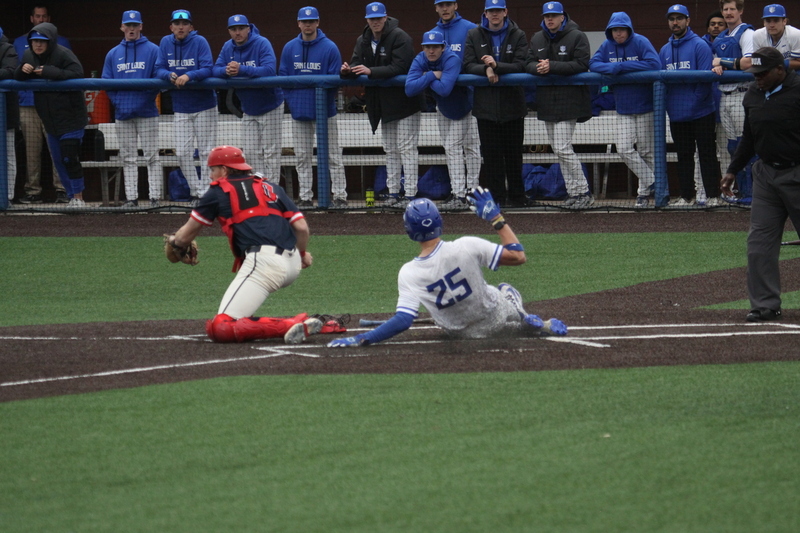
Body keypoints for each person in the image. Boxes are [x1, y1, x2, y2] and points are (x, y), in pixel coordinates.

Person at [327, 188, 567, 348]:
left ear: (409, 231)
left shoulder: (408, 273)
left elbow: (403, 320)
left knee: (466, 316)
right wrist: (496, 218)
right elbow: (518, 256)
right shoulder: (467, 245)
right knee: (504, 289)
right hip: (494, 314)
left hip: (462, 334)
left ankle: (522, 323)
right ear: (440, 223)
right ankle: (523, 317)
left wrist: (362, 338)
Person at [166, 145, 322, 344]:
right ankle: (314, 325)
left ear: (224, 170)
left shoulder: (217, 192)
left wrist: (174, 241)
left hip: (265, 265)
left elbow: (185, 236)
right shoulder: (270, 187)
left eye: (212, 170)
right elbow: (301, 228)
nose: (210, 176)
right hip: (292, 265)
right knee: (228, 322)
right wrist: (302, 254)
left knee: (222, 326)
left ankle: (290, 324)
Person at [720, 47, 800, 322]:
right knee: (759, 244)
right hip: (766, 176)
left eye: (763, 73)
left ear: (782, 69)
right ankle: (766, 304)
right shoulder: (753, 94)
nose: (758, 78)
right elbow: (749, 137)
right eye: (755, 74)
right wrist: (732, 170)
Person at [341, 2, 424, 208]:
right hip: (383, 105)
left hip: (405, 103)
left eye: (379, 18)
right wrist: (347, 70)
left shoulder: (400, 36)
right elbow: (356, 62)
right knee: (391, 149)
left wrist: (371, 72)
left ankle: (411, 194)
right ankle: (394, 192)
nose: (375, 22)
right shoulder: (364, 39)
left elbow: (401, 66)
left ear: (385, 18)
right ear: (367, 20)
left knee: (407, 149)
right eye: (372, 18)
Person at [589, 12, 661, 209]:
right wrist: (610, 68)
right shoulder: (607, 45)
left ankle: (643, 195)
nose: (618, 34)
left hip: (645, 105)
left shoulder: (640, 41)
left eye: (621, 30)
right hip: (623, 107)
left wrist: (621, 67)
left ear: (628, 30)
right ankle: (655, 182)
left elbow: (654, 64)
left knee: (646, 151)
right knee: (623, 148)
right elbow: (593, 64)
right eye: (614, 30)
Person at [526, 1, 593, 209]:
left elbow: (582, 64)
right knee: (558, 149)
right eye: (547, 16)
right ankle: (573, 193)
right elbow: (527, 62)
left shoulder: (577, 35)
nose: (550, 19)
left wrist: (552, 66)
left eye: (554, 15)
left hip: (569, 100)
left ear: (562, 16)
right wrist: (539, 68)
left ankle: (584, 191)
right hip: (547, 101)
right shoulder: (538, 37)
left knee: (563, 148)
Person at [279, 6, 347, 209]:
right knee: (302, 156)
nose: (308, 25)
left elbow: (334, 82)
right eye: (304, 21)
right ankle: (306, 197)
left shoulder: (329, 47)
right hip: (299, 112)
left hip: (325, 112)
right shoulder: (290, 47)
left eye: (312, 21)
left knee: (333, 155)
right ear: (299, 23)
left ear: (317, 23)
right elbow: (283, 78)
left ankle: (340, 196)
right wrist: (294, 101)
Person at [463, 0, 528, 208]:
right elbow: (467, 64)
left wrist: (496, 65)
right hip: (486, 107)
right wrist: (486, 70)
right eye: (491, 11)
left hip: (513, 105)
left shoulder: (518, 34)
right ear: (485, 13)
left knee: (513, 156)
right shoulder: (474, 34)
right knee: (491, 158)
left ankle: (518, 198)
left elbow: (521, 64)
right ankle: (497, 199)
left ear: (505, 12)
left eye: (498, 10)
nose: (495, 14)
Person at [15, 22, 87, 207]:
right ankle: (72, 197)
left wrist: (49, 72)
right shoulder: (29, 55)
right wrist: (22, 70)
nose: (37, 45)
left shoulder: (63, 53)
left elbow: (78, 73)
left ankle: (79, 198)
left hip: (71, 117)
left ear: (51, 42)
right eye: (34, 41)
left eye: (42, 41)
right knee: (58, 160)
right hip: (49, 120)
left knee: (69, 157)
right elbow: (17, 75)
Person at [659, 4, 722, 207]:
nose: (675, 22)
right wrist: (672, 108)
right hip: (677, 115)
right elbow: (663, 83)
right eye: (672, 19)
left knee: (707, 154)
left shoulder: (699, 45)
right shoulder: (665, 50)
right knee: (683, 157)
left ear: (688, 21)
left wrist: (690, 107)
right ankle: (686, 197)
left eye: (679, 18)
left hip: (702, 112)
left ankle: (713, 195)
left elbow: (705, 82)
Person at [405, 31, 475, 211]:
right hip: (443, 109)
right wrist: (431, 75)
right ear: (423, 48)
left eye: (435, 47)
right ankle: (459, 193)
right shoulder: (421, 58)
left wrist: (424, 77)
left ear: (443, 47)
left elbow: (444, 89)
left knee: (461, 148)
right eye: (427, 47)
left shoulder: (452, 58)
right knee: (451, 148)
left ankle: (463, 194)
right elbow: (409, 89)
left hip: (464, 108)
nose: (431, 50)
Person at [155, 9, 217, 204]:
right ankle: (195, 190)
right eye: (177, 24)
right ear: (171, 27)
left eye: (184, 24)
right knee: (182, 152)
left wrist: (189, 75)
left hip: (204, 104)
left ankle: (206, 193)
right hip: (181, 105)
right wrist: (168, 75)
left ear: (191, 26)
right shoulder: (165, 42)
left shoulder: (200, 42)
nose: (180, 27)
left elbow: (208, 67)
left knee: (207, 151)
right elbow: (158, 68)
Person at [213, 14, 284, 183]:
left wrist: (241, 69)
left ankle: (271, 191)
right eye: (233, 29)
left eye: (241, 28)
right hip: (249, 108)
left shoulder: (261, 43)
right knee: (251, 153)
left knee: (271, 152)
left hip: (270, 105)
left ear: (248, 29)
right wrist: (226, 71)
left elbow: (269, 70)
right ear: (229, 31)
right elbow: (215, 69)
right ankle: (258, 189)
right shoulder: (227, 47)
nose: (237, 32)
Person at [102, 10, 162, 208]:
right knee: (128, 158)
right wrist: (120, 103)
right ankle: (131, 199)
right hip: (123, 114)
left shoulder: (153, 50)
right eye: (128, 25)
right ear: (122, 27)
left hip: (147, 112)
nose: (131, 29)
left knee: (152, 156)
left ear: (141, 26)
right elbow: (107, 83)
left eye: (135, 25)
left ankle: (155, 199)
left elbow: (158, 80)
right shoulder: (113, 53)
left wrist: (141, 101)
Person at [13, 5, 69, 204]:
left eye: (44, 16)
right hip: (27, 103)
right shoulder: (19, 43)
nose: (41, 19)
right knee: (31, 150)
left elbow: (69, 71)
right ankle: (33, 191)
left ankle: (62, 189)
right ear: (31, 18)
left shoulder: (61, 43)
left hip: (53, 104)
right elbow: (13, 72)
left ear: (49, 18)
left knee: (57, 148)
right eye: (38, 16)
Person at [431, 0, 480, 210]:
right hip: (444, 100)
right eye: (441, 5)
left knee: (471, 147)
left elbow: (475, 60)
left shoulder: (470, 29)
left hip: (469, 97)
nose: (445, 8)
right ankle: (459, 192)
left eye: (448, 4)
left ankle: (469, 192)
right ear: (436, 8)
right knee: (451, 147)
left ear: (456, 5)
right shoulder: (432, 34)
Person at [711, 0, 755, 203]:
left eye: (732, 9)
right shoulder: (721, 37)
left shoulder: (747, 34)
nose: (728, 13)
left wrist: (723, 62)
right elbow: (713, 62)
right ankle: (738, 191)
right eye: (725, 9)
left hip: (741, 93)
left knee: (745, 145)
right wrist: (717, 66)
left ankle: (752, 193)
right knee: (731, 147)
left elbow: (749, 62)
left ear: (740, 11)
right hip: (724, 95)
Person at [743, 4, 800, 71]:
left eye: (776, 20)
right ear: (764, 22)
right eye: (768, 21)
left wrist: (774, 63)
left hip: (792, 74)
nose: (772, 25)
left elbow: (799, 62)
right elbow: (757, 62)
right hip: (768, 74)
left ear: (784, 21)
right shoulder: (758, 35)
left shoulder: (795, 34)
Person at [0, 27, 19, 205]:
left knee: (7, 156)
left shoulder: (7, 48)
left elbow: (10, 71)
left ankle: (8, 197)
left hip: (4, 113)